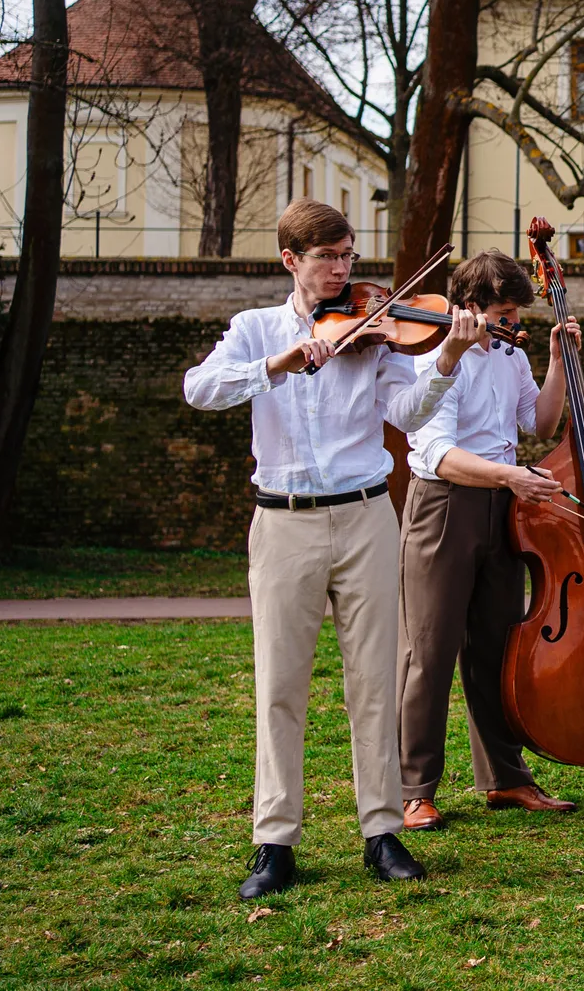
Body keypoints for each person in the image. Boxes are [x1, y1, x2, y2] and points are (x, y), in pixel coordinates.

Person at [183, 200, 483, 901]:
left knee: (374, 682)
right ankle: (275, 842)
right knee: (279, 687)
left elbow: (408, 413)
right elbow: (199, 390)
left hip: (366, 516)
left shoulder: (376, 331)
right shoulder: (256, 329)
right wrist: (277, 364)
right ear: (292, 259)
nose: (343, 270)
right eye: (327, 258)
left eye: (348, 256)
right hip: (283, 523)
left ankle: (381, 831)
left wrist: (449, 355)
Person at [397, 250, 584, 831]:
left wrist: (557, 360)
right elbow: (438, 455)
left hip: (505, 509)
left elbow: (542, 424)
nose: (514, 323)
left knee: (497, 650)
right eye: (504, 312)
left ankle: (505, 779)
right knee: (429, 653)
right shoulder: (435, 356)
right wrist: (509, 475)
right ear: (469, 307)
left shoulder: (508, 355)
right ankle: (413, 789)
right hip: (444, 509)